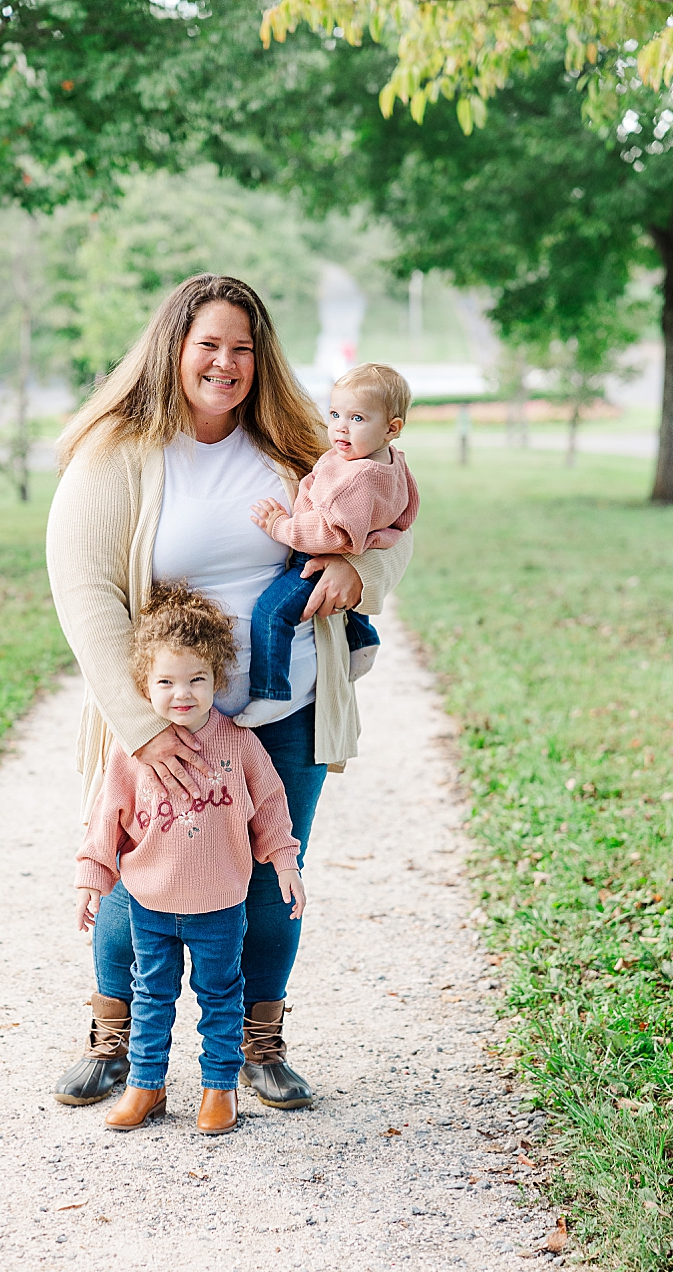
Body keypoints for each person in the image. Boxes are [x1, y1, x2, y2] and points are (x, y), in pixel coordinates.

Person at [46, 273, 413, 1113]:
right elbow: (85, 591)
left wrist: (359, 572)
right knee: (137, 869)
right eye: (208, 344)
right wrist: (138, 726)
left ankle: (259, 1044)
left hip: (285, 715)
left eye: (243, 347)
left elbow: (389, 527)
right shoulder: (116, 455)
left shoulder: (296, 445)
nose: (226, 362)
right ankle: (112, 1039)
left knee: (270, 875)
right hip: (162, 719)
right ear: (174, 348)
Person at [74, 582, 305, 1135]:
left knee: (221, 997)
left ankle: (219, 1088)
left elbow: (271, 806)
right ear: (142, 685)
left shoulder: (239, 743)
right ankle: (146, 1086)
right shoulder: (132, 751)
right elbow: (106, 816)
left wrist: (286, 863)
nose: (183, 694)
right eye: (166, 682)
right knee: (151, 995)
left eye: (197, 679)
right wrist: (91, 877)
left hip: (221, 902)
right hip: (150, 902)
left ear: (217, 679)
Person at [235, 363, 419, 728]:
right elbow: (408, 510)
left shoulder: (355, 478)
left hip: (313, 558)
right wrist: (377, 536)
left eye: (356, 418)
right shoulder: (392, 462)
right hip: (350, 548)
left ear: (391, 428)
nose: (339, 427)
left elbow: (330, 536)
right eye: (335, 414)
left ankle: (271, 692)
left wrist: (281, 527)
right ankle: (362, 635)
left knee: (273, 612)